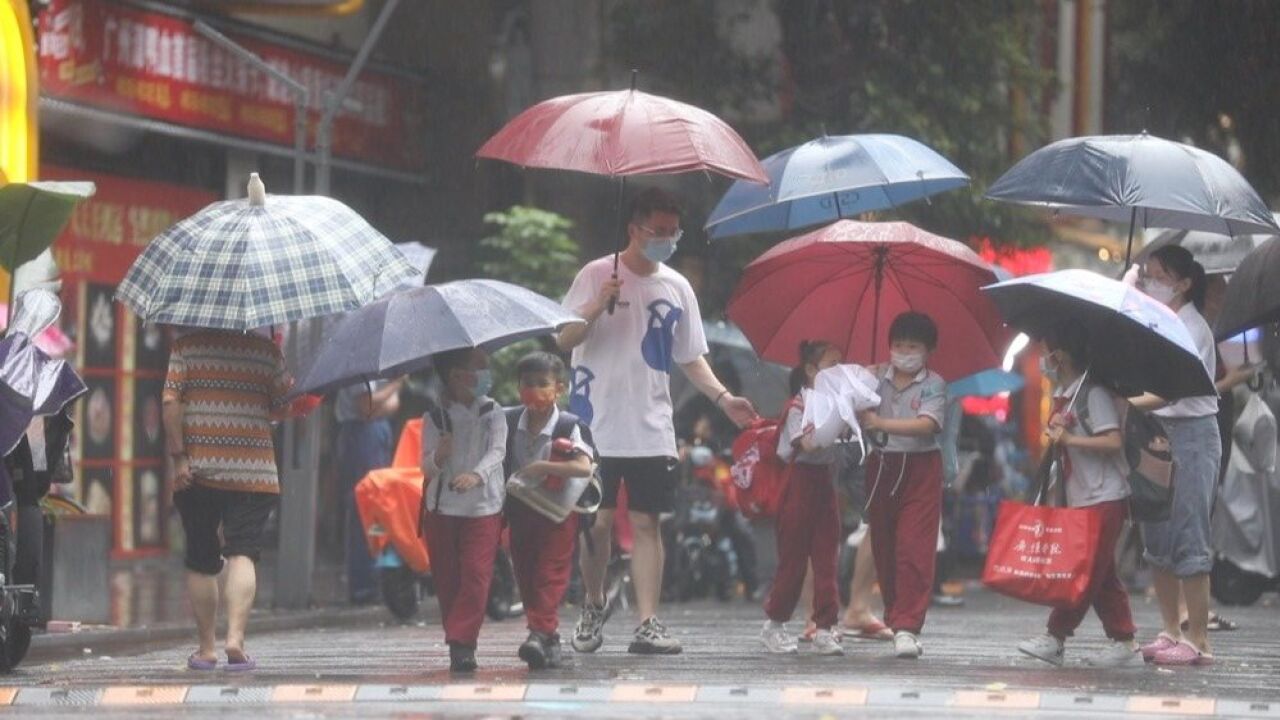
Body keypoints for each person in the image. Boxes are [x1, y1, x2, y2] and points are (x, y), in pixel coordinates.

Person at [558, 187, 757, 655]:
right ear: (634, 229)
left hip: (650, 424)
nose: (667, 240)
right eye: (658, 231)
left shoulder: (677, 287)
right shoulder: (594, 274)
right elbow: (564, 340)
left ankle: (648, 622)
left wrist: (724, 399)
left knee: (648, 523)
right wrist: (595, 304)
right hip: (594, 423)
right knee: (598, 522)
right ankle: (592, 602)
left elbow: (692, 358)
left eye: (673, 233)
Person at [163, 328, 292, 672]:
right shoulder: (267, 351)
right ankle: (235, 639)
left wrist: (178, 457)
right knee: (243, 552)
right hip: (254, 470)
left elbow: (171, 402)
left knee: (201, 557)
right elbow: (282, 406)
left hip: (198, 469)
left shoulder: (186, 347)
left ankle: (206, 649)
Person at [1016, 321, 1140, 668]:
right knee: (1102, 575)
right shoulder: (1067, 395)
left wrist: (1070, 439)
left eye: (1046, 351)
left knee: (1082, 571)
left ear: (1062, 355)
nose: (1043, 358)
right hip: (1083, 495)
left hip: (1105, 496)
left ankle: (1055, 637)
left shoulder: (1093, 394)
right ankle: (1124, 640)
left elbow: (1112, 440)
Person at [1132, 245, 1222, 666]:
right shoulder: (1156, 321)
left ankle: (1199, 638)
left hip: (1191, 435)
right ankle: (1170, 629)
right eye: (1146, 274)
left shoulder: (1193, 327)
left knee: (1189, 533)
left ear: (1184, 284)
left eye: (1159, 276)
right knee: (1157, 531)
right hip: (1159, 434)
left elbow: (1174, 388)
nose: (1151, 282)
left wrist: (1129, 402)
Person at [857, 312, 946, 659]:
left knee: (914, 547)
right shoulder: (875, 376)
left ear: (928, 350)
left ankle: (908, 626)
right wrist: (858, 380)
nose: (903, 352)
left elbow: (928, 425)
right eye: (898, 345)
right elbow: (846, 402)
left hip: (921, 467)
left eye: (912, 346)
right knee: (885, 546)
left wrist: (881, 421)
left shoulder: (934, 384)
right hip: (882, 465)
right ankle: (896, 617)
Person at [503, 352, 595, 669]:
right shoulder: (509, 420)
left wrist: (542, 465)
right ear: (518, 388)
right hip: (520, 510)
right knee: (526, 573)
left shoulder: (569, 425)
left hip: (558, 515)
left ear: (559, 388)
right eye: (528, 384)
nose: (535, 390)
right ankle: (546, 637)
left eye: (542, 384)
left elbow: (584, 467)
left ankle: (539, 632)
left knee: (550, 573)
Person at [419, 347, 506, 673]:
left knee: (476, 574)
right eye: (480, 367)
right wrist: (440, 455)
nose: (487, 374)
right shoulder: (434, 419)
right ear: (457, 375)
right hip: (442, 510)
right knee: (448, 580)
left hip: (484, 508)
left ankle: (462, 640)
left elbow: (498, 450)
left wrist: (477, 475)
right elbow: (426, 469)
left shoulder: (493, 412)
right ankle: (458, 639)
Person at [761, 340, 845, 656]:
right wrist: (837, 423)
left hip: (824, 485)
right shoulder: (798, 407)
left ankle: (824, 627)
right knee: (793, 562)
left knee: (827, 559)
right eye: (831, 366)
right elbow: (808, 446)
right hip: (797, 484)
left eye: (841, 365)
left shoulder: (839, 403)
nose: (838, 372)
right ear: (811, 370)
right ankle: (774, 623)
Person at [334, 377, 405, 604]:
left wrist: (382, 402)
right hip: (361, 434)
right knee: (364, 508)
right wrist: (396, 384)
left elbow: (392, 405)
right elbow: (366, 407)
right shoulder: (359, 365)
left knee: (377, 509)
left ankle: (374, 578)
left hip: (374, 431)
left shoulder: (377, 371)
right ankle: (363, 584)